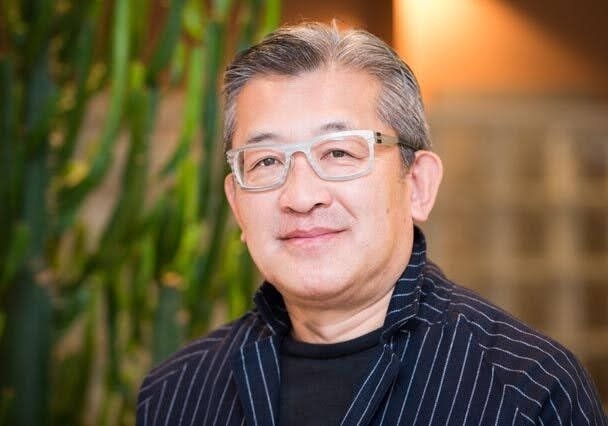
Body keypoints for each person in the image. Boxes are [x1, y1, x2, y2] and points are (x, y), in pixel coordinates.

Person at [136, 22, 606, 425]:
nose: (301, 196)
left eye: (339, 152)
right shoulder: (176, 394)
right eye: (266, 161)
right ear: (237, 205)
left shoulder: (526, 392)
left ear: (417, 184)